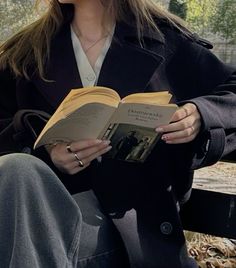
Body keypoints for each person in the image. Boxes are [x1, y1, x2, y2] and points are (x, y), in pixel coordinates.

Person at [0, 0, 235, 267]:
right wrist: (46, 154)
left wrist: (201, 114)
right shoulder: (26, 51)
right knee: (18, 169)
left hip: (132, 236)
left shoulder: (166, 42)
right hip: (39, 210)